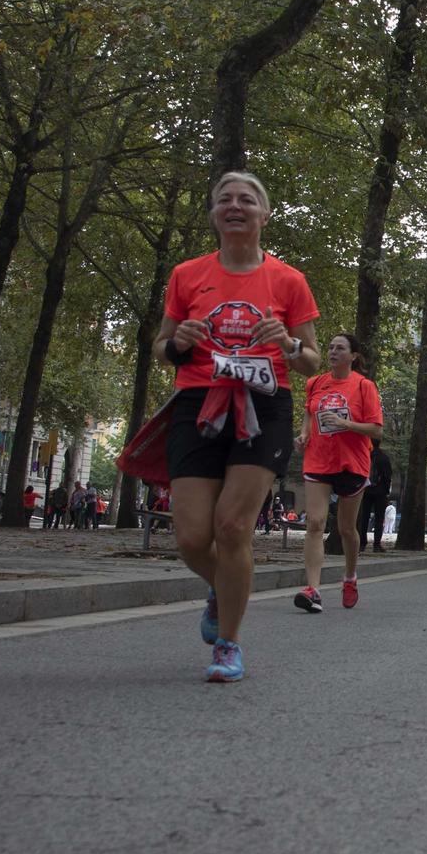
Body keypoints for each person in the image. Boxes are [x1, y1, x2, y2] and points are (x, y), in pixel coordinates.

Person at [154, 171, 321, 683]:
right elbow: (162, 351)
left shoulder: (288, 280)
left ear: (264, 216)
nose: (234, 205)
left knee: (232, 527)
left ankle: (228, 643)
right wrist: (179, 340)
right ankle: (222, 587)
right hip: (198, 403)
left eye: (246, 200)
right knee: (190, 537)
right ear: (213, 215)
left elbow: (311, 361)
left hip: (264, 404)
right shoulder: (187, 275)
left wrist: (289, 345)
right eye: (224, 199)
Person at [292, 333, 384, 613]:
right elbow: (310, 412)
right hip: (318, 460)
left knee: (346, 528)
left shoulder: (364, 386)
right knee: (315, 523)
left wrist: (345, 423)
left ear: (353, 356)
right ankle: (313, 590)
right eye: (330, 347)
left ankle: (350, 577)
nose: (333, 352)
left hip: (351, 462)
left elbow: (377, 430)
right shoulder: (315, 383)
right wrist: (304, 434)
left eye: (340, 348)